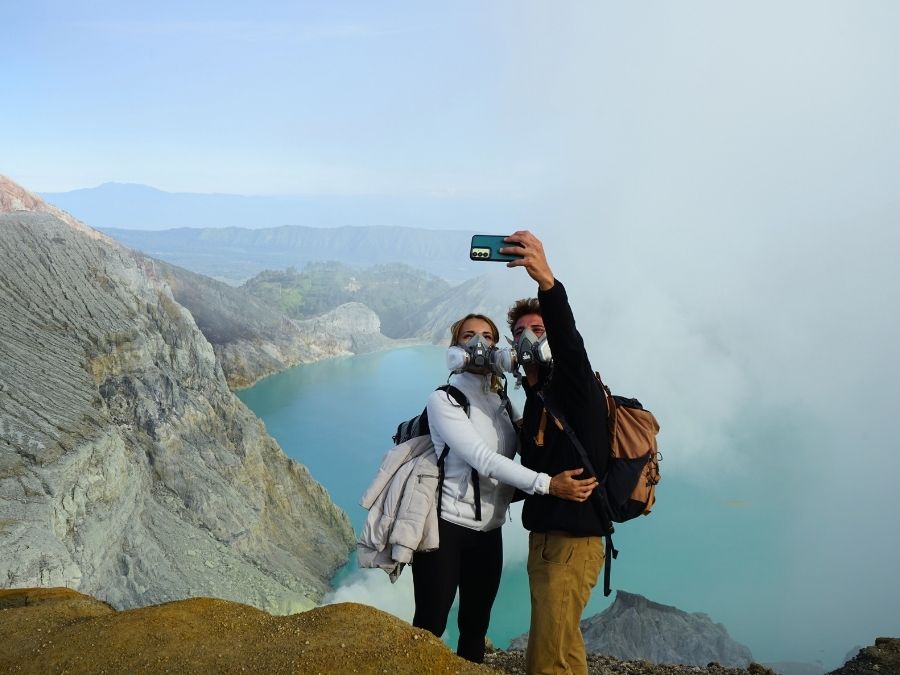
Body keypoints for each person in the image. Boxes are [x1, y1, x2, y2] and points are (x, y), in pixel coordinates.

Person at [412, 312, 597, 664]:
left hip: (489, 532)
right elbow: (483, 459)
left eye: (487, 336)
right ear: (455, 347)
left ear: (499, 349)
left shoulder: (501, 402)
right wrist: (548, 485)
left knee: (475, 627)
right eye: (468, 336)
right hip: (445, 529)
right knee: (430, 625)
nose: (478, 343)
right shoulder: (444, 400)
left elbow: (533, 446)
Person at [501, 230, 610, 675]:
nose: (529, 338)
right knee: (562, 650)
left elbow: (571, 345)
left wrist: (547, 283)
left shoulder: (573, 387)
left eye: (538, 330)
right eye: (521, 332)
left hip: (569, 543)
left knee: (546, 660)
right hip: (551, 542)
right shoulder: (537, 396)